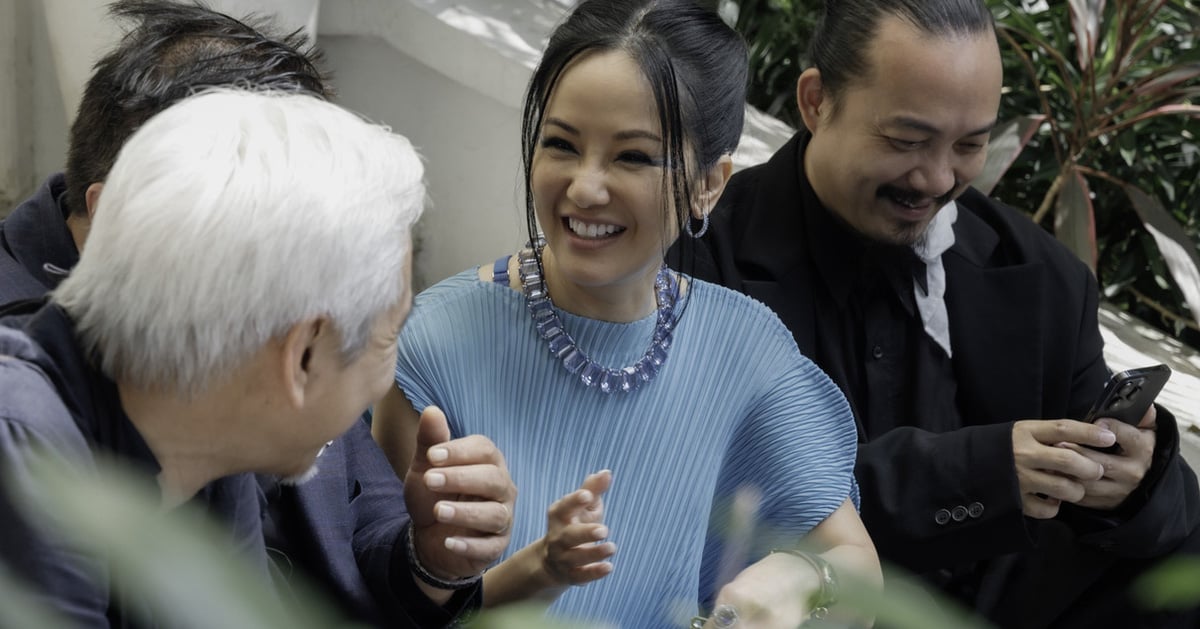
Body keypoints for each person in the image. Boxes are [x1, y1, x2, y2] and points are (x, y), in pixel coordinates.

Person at [668, 0, 1200, 627]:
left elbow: (1169, 517)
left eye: (971, 145)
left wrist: (1135, 478)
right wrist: (979, 474)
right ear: (816, 102)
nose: (938, 178)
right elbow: (713, 491)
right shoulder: (697, 257)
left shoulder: (1044, 279)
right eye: (907, 140)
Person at [0, 3, 518, 627]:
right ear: (300, 356)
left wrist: (431, 561)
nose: (384, 382)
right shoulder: (25, 444)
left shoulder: (206, 441)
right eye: (387, 339)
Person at [370, 1, 883, 627]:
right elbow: (384, 593)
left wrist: (802, 576)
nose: (585, 188)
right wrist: (537, 570)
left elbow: (858, 569)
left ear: (710, 185)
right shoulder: (437, 343)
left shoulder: (745, 351)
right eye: (561, 144)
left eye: (632, 157)